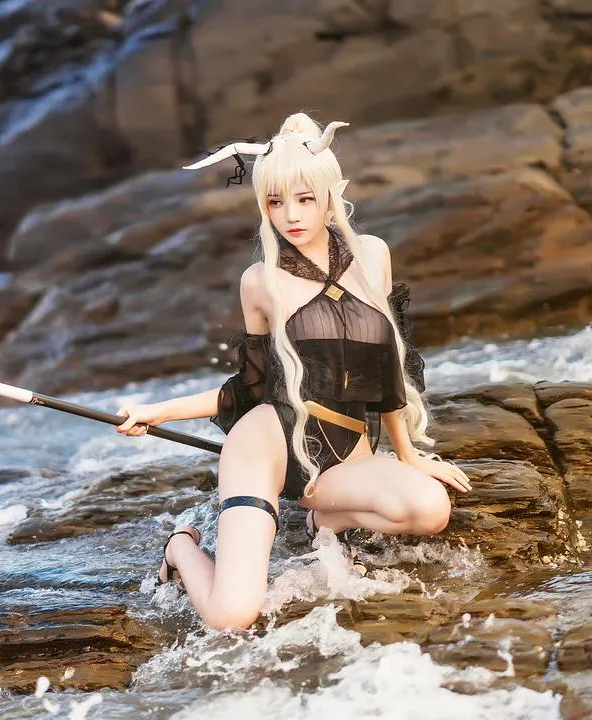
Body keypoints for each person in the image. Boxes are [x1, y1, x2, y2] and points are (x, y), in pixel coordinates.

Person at [114, 113, 472, 631]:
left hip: (346, 449)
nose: (291, 216)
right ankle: (181, 549)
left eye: (304, 199)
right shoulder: (259, 281)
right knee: (232, 616)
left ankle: (322, 515)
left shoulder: (373, 256)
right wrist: (158, 411)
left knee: (429, 509)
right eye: (276, 202)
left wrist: (410, 454)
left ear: (329, 195)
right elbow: (250, 388)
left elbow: (393, 363)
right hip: (267, 445)